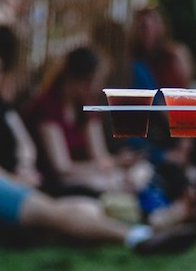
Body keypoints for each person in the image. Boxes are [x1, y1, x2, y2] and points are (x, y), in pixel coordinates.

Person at [0, 37, 196, 256]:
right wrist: (16, 179)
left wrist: (116, 168)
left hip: (21, 178)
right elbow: (56, 167)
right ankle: (146, 232)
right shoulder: (45, 108)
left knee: (135, 176)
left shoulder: (0, 106)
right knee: (76, 205)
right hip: (31, 181)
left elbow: (26, 147)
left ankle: (154, 224)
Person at [22, 45, 144, 199]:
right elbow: (61, 168)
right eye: (92, 82)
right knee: (108, 184)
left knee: (134, 176)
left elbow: (100, 155)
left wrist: (117, 163)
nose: (96, 88)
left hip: (83, 173)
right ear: (75, 80)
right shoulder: (47, 107)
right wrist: (111, 166)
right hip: (55, 181)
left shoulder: (85, 107)